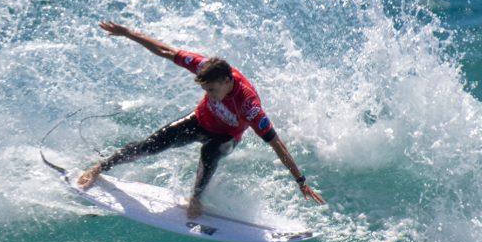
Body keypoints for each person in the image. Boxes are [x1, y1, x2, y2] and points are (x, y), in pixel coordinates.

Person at [78, 21, 326, 218]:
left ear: (228, 81)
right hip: (199, 121)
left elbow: (277, 144)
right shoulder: (206, 67)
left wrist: (300, 181)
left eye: (212, 91)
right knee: (151, 144)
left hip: (226, 137)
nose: (209, 95)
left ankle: (196, 199)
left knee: (209, 154)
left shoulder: (249, 105)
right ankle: (100, 167)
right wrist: (128, 33)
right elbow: (166, 50)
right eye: (205, 90)